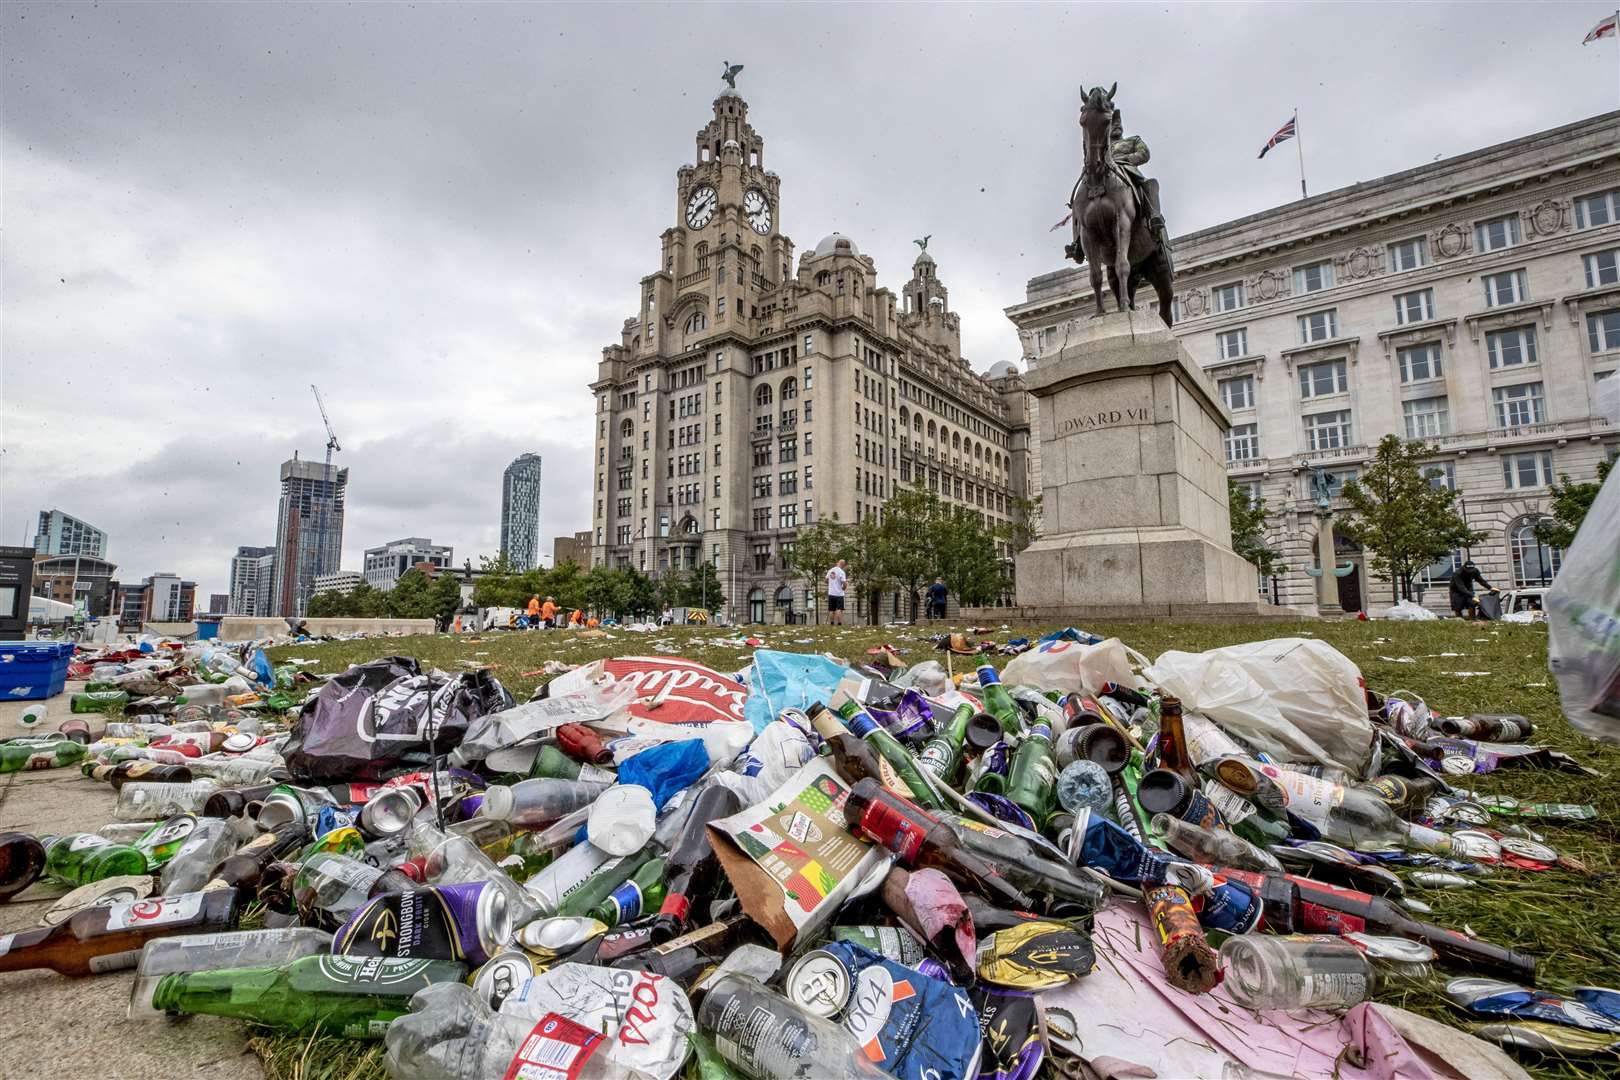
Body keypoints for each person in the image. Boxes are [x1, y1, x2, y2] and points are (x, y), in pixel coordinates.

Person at [826, 559, 848, 626]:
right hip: (839, 594)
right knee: (839, 609)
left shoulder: (830, 570)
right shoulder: (841, 572)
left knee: (831, 609)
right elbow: (844, 583)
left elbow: (826, 580)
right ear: (843, 565)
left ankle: (831, 623)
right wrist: (844, 588)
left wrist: (830, 585)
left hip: (831, 593)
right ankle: (839, 623)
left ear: (837, 563)